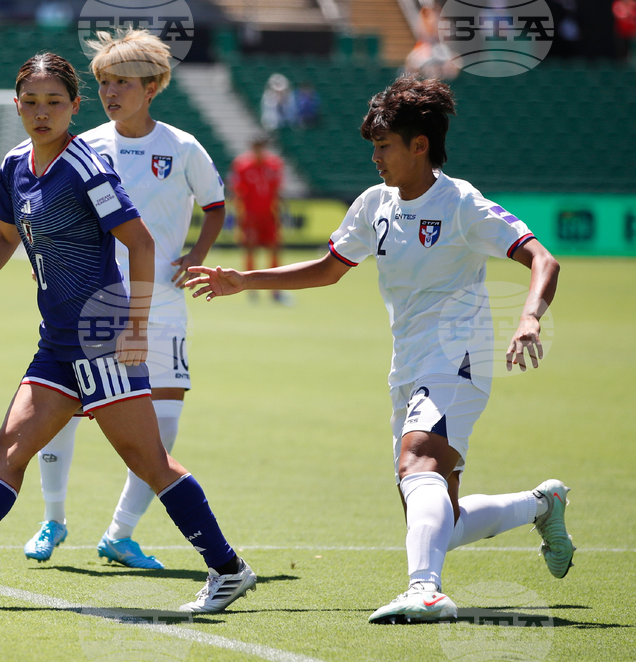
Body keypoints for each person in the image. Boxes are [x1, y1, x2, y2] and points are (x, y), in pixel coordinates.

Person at [0, 52, 256, 614]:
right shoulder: (14, 165)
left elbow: (142, 244)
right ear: (17, 105)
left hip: (102, 336)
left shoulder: (88, 167)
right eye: (31, 101)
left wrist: (136, 326)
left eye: (54, 102)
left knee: (151, 464)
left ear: (75, 107)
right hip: (56, 340)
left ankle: (228, 570)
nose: (41, 112)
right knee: (8, 453)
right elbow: (6, 236)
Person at [185, 77, 573, 624]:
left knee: (418, 463)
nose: (375, 157)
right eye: (373, 145)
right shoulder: (375, 204)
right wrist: (244, 280)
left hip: (457, 356)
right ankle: (542, 505)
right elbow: (328, 269)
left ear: (420, 146)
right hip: (409, 364)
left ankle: (426, 591)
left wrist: (529, 316)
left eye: (384, 145)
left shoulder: (462, 203)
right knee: (438, 511)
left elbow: (543, 260)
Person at [21, 28, 227, 570]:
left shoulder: (183, 148)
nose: (113, 92)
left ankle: (120, 533)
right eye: (106, 83)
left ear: (154, 85)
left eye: (125, 83)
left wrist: (198, 254)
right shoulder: (84, 147)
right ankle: (54, 518)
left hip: (162, 306)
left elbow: (216, 204)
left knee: (161, 426)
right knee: (61, 412)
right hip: (95, 306)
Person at [229, 135, 288, 304]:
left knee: (275, 249)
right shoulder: (242, 166)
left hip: (269, 216)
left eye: (261, 146)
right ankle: (250, 288)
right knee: (250, 249)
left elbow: (277, 192)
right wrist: (239, 218)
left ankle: (275, 290)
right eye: (256, 147)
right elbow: (237, 193)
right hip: (250, 216)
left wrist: (279, 214)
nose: (259, 150)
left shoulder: (274, 165)